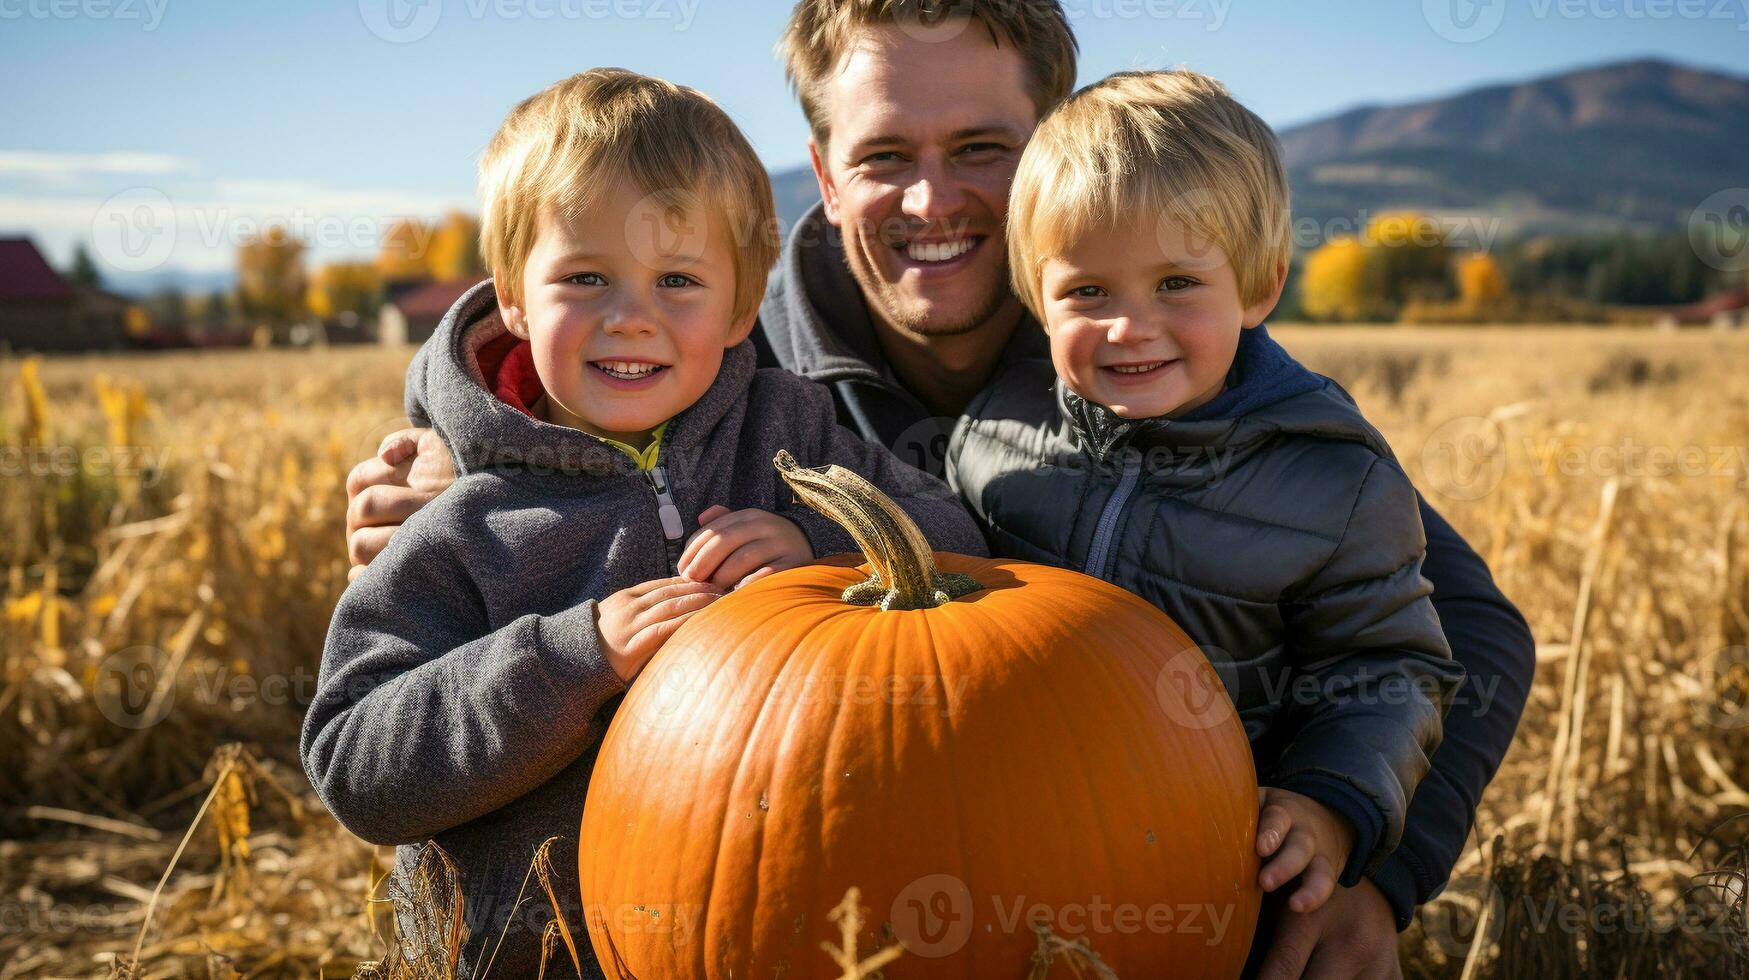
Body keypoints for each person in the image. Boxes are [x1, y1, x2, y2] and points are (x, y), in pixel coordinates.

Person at [343, 3, 1536, 974]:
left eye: (980, 149)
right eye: (881, 157)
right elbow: (560, 375)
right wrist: (460, 460)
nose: (929, 201)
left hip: (1132, 885)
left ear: (1053, 146)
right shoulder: (719, 351)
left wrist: (1381, 874)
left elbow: (1460, 627)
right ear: (821, 167)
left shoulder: (1141, 350)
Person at [302, 68, 986, 975]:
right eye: (585, 278)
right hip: (535, 952)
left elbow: (960, 538)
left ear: (744, 307)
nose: (630, 318)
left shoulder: (788, 431)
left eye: (677, 280)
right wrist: (568, 658)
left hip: (774, 930)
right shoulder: (460, 515)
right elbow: (356, 765)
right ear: (511, 296)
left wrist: (823, 544)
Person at [949, 68, 1469, 971]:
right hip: (1004, 841)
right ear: (1035, 295)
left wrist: (1331, 805)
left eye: (1177, 283)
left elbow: (1386, 666)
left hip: (1217, 864)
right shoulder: (991, 433)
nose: (1128, 328)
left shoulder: (1328, 477)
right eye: (1087, 293)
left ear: (1260, 287)